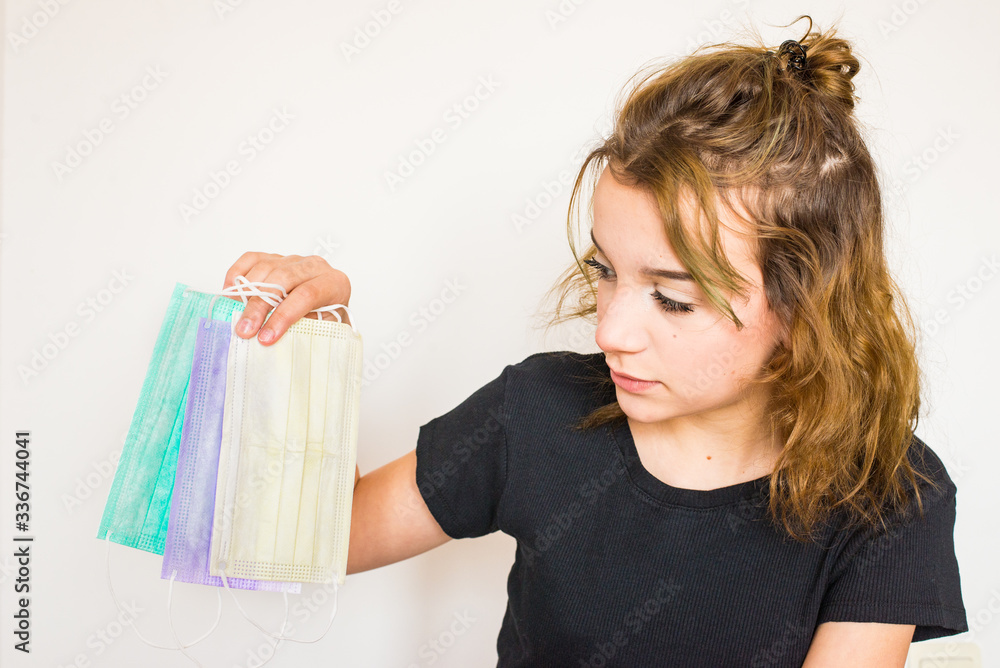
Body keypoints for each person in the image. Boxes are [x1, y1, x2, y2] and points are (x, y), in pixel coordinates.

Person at [221, 16, 967, 667]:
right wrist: (310, 348)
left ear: (810, 308)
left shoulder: (891, 499)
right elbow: (308, 542)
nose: (610, 332)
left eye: (673, 299)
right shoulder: (534, 412)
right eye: (605, 272)